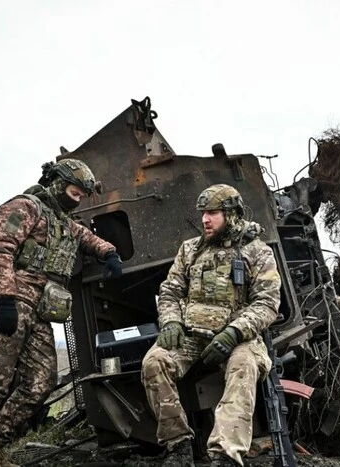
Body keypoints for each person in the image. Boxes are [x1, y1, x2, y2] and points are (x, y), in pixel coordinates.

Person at [0, 159, 123, 467]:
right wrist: (5, 299)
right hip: (10, 299)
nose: (76, 200)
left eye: (81, 196)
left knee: (42, 379)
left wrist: (109, 252)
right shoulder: (25, 207)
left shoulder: (62, 221)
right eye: (74, 193)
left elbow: (86, 238)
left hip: (39, 307)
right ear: (58, 185)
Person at [141, 184, 282, 467]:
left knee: (244, 366)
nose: (205, 219)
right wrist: (171, 322)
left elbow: (267, 303)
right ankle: (178, 445)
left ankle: (225, 454)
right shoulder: (190, 250)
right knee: (154, 362)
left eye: (213, 213)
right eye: (203, 213)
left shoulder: (257, 252)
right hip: (191, 334)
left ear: (232, 214)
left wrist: (234, 333)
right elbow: (169, 291)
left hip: (237, 337)